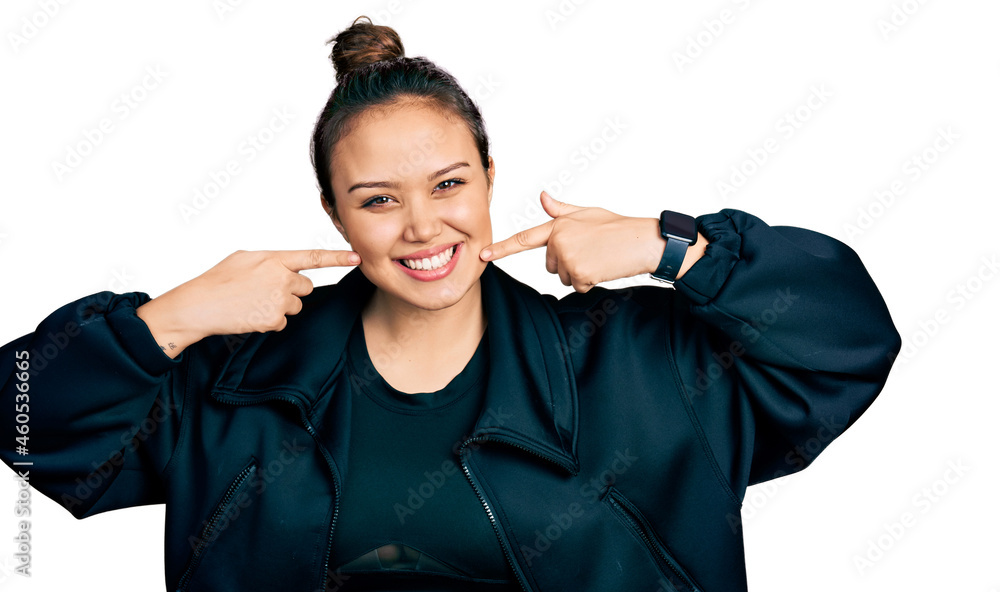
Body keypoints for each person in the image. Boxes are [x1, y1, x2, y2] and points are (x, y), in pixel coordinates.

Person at [0, 15, 901, 592]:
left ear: (489, 180)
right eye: (378, 199)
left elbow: (847, 340)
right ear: (333, 213)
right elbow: (22, 417)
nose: (423, 228)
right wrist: (169, 321)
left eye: (448, 184)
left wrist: (674, 251)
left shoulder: (642, 363)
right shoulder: (233, 383)